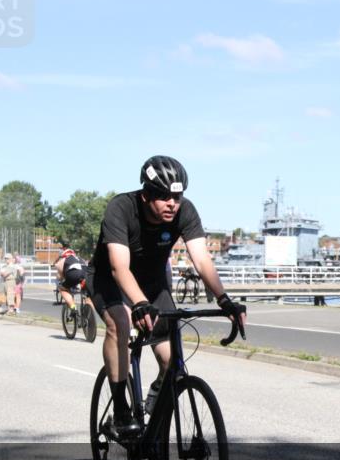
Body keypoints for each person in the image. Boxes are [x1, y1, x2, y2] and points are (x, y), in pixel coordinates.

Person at [87, 155, 245, 437]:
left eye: (177, 195)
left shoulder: (185, 211)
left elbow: (202, 259)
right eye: (163, 197)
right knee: (119, 325)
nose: (172, 203)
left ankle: (156, 425)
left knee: (173, 361)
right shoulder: (121, 208)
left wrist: (224, 300)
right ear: (146, 195)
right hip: (108, 279)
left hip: (153, 283)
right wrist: (139, 304)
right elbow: (118, 267)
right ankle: (121, 411)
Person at [54, 248, 90, 316]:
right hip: (87, 274)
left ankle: (73, 308)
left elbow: (60, 277)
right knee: (88, 295)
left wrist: (61, 283)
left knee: (62, 289)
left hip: (74, 274)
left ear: (63, 255)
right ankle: (89, 314)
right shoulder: (80, 258)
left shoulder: (62, 260)